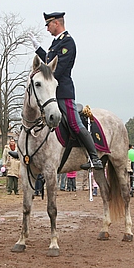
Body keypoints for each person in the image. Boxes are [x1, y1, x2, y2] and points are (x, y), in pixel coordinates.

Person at [29, 12, 103, 171]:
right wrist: (38, 49)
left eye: (48, 25)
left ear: (56, 23)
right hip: (51, 92)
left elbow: (59, 69)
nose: (47, 29)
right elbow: (49, 61)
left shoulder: (68, 42)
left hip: (63, 92)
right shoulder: (55, 43)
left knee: (74, 124)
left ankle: (94, 157)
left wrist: (46, 79)